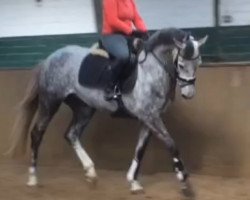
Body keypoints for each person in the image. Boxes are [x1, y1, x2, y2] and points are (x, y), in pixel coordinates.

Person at [101, 0, 148, 100]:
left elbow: (137, 18)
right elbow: (112, 20)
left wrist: (144, 32)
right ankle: (110, 87)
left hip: (127, 35)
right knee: (123, 56)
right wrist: (130, 30)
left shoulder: (131, 1)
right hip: (111, 35)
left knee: (144, 52)